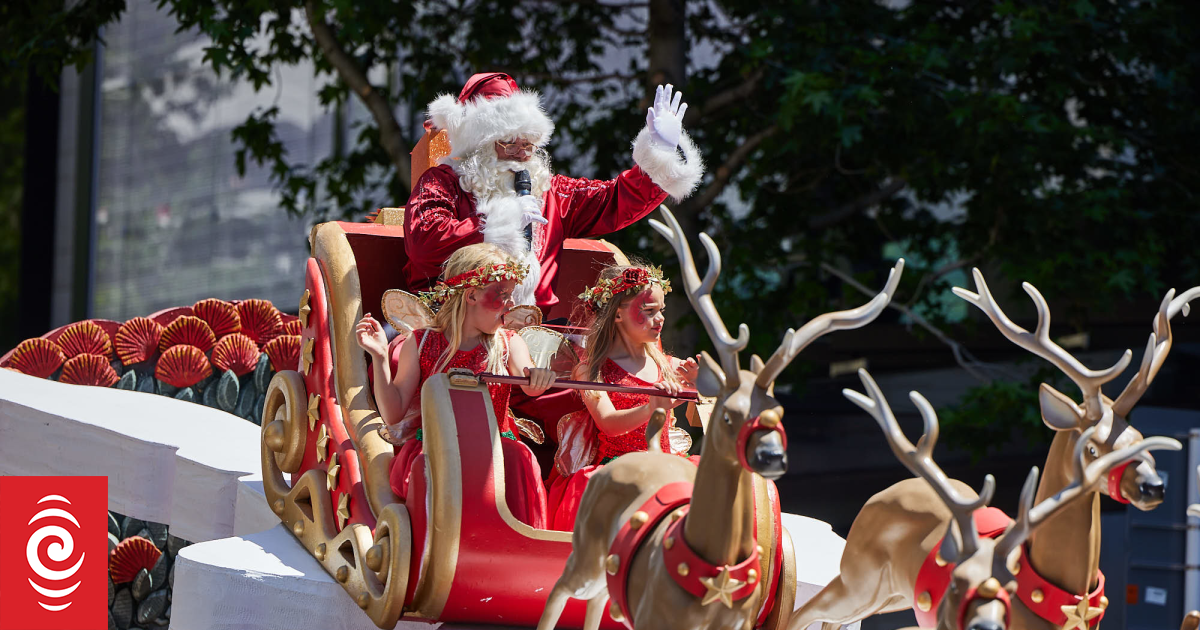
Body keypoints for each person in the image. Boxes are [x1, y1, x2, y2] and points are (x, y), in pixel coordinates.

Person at [403, 72, 705, 312]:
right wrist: (498, 225)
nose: (521, 154)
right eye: (508, 142)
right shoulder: (443, 182)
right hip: (451, 326)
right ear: (479, 144)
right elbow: (424, 242)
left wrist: (658, 154)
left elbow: (614, 200)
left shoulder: (550, 192)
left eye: (528, 144)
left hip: (531, 335)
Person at [356, 243, 558, 528]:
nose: (511, 304)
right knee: (437, 464)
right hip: (439, 451)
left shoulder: (509, 342)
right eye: (502, 294)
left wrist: (538, 377)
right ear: (471, 295)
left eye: (512, 294)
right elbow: (393, 414)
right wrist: (379, 356)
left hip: (497, 455)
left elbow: (530, 382)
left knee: (516, 456)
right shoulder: (422, 342)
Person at [544, 263, 700, 532]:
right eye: (649, 311)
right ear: (618, 314)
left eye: (661, 310)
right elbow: (608, 423)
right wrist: (652, 406)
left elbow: (696, 421)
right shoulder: (590, 370)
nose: (660, 319)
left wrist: (698, 388)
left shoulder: (670, 366)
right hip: (617, 471)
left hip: (666, 466)